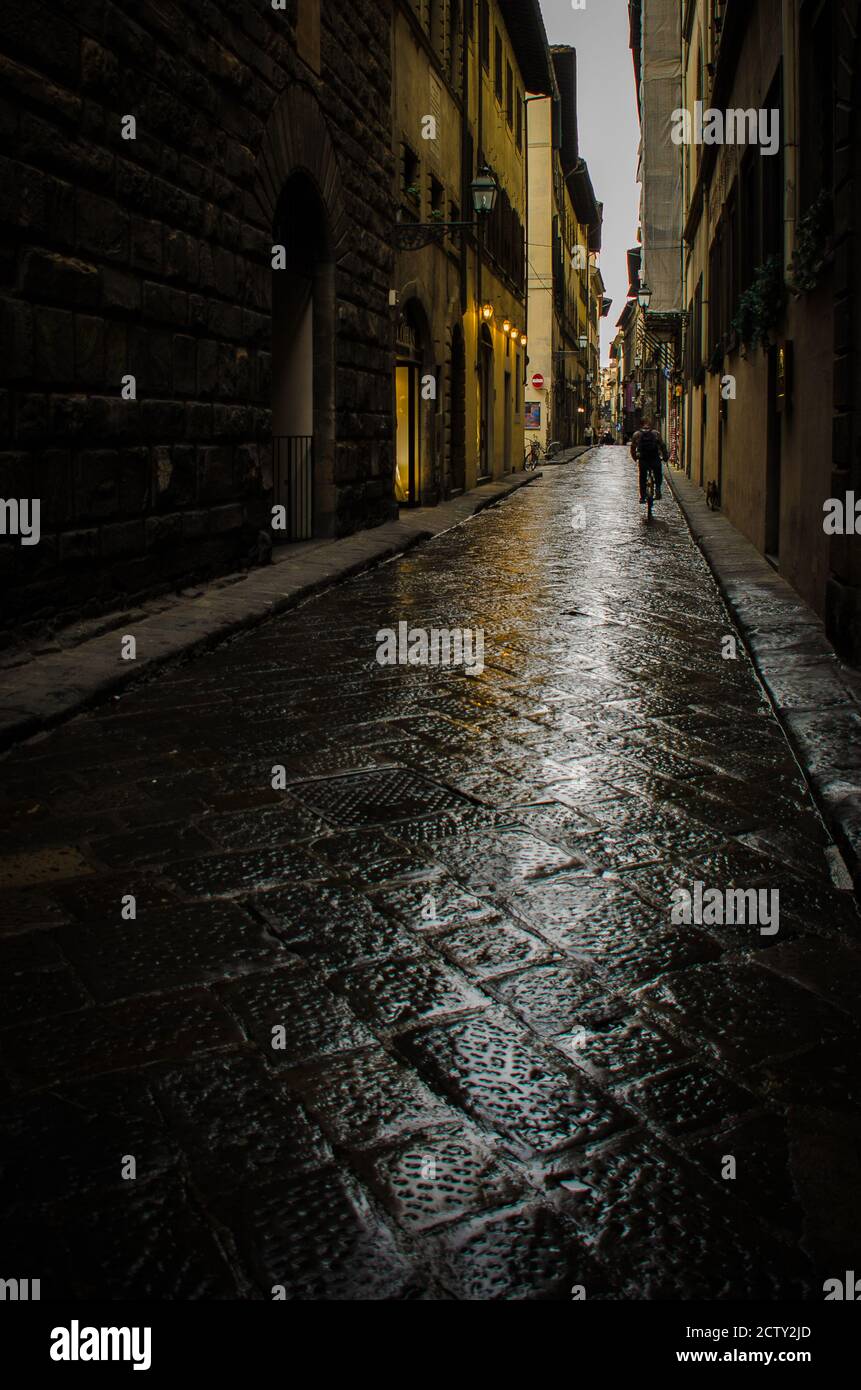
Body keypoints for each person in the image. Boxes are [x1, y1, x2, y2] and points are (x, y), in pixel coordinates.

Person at [630, 416, 669, 503]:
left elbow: (633, 448)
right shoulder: (656, 433)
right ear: (650, 424)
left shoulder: (637, 434)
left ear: (641, 424)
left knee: (642, 478)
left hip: (643, 460)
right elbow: (662, 446)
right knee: (658, 474)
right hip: (655, 458)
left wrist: (635, 458)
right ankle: (658, 490)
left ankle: (643, 497)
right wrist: (665, 457)